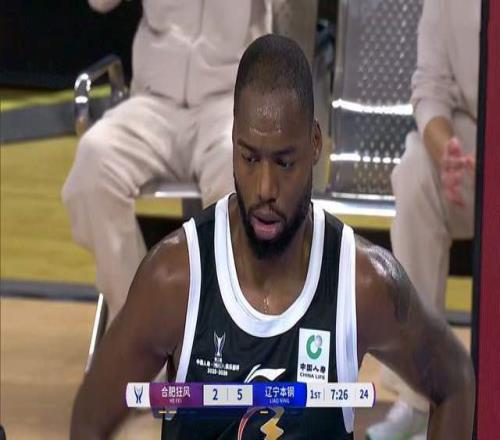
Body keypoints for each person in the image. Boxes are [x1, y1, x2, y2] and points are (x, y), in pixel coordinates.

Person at [70, 35, 475, 440]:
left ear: (315, 145)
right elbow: (89, 420)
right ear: (233, 140)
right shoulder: (174, 280)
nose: (265, 188)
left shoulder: (364, 283)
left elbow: (456, 383)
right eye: (250, 158)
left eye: (284, 162)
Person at [62, 0, 271, 322]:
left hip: (229, 103)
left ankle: (221, 327)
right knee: (94, 161)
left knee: (240, 169)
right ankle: (138, 322)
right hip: (153, 102)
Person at [366, 0, 480, 438]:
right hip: (471, 138)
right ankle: (420, 400)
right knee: (415, 174)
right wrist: (446, 151)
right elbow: (430, 86)